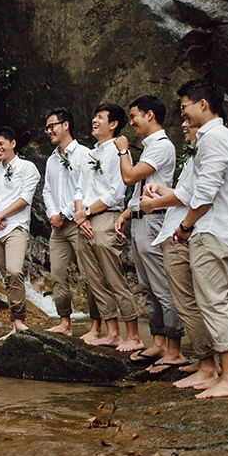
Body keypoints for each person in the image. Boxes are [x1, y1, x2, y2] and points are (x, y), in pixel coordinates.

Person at [171, 80, 228, 399]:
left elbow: (206, 192)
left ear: (203, 104)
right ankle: (221, 373)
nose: (183, 114)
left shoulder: (214, 138)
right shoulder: (214, 137)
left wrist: (186, 226)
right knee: (209, 301)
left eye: (185, 106)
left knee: (214, 302)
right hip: (214, 229)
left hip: (213, 230)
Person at [140, 119, 220, 386]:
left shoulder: (207, 149)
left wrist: (154, 203)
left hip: (182, 232)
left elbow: (195, 196)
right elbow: (185, 192)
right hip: (176, 229)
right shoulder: (195, 154)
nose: (183, 125)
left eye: (188, 120)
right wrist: (161, 190)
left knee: (185, 301)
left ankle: (209, 365)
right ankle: (205, 359)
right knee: (191, 300)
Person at [114, 96, 186, 372]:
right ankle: (157, 341)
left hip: (154, 220)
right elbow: (140, 187)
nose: (131, 123)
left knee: (161, 285)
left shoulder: (162, 147)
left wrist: (122, 151)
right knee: (146, 285)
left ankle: (174, 349)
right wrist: (126, 213)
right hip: (141, 218)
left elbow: (131, 177)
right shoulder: (151, 147)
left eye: (134, 116)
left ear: (150, 115)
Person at [73, 103, 143, 352]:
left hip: (106, 216)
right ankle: (112, 332)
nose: (94, 120)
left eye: (100, 117)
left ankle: (133, 335)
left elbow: (116, 193)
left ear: (113, 124)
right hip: (85, 218)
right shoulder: (89, 154)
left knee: (114, 277)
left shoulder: (118, 152)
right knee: (93, 279)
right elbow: (79, 187)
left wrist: (87, 212)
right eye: (94, 115)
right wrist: (80, 214)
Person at [42, 108, 101, 339]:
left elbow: (84, 190)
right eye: (47, 128)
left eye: (52, 126)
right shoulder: (51, 159)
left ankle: (96, 326)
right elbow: (47, 190)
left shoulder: (85, 155)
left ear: (66, 125)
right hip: (57, 226)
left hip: (79, 223)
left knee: (90, 275)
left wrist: (64, 214)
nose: (49, 131)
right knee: (57, 273)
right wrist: (52, 214)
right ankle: (64, 321)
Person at [0, 127, 41, 340]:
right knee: (8, 277)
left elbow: (25, 198)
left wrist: (0, 216)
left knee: (14, 271)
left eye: (1, 144)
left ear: (12, 144)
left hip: (16, 226)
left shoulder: (27, 167)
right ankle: (14, 325)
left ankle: (20, 321)